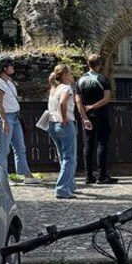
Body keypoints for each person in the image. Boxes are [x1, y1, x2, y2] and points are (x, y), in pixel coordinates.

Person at [0, 53, 39, 184]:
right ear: (4, 68)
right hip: (4, 118)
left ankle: (26, 175)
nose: (12, 67)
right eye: (10, 65)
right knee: (3, 149)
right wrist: (4, 121)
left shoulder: (9, 81)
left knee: (20, 147)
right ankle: (1, 178)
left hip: (15, 117)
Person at [75, 55, 117, 185]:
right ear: (99, 65)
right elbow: (106, 99)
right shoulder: (103, 79)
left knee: (88, 145)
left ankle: (88, 176)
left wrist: (84, 116)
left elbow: (78, 101)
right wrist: (93, 106)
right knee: (102, 144)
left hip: (87, 118)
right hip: (101, 115)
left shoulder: (80, 81)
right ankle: (102, 175)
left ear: (88, 64)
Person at [47, 64, 77, 199]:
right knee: (70, 158)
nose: (72, 76)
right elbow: (63, 103)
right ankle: (62, 188)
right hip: (65, 124)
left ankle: (70, 185)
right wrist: (64, 118)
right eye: (70, 73)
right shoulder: (66, 88)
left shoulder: (54, 89)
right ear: (65, 75)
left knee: (62, 157)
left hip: (52, 125)